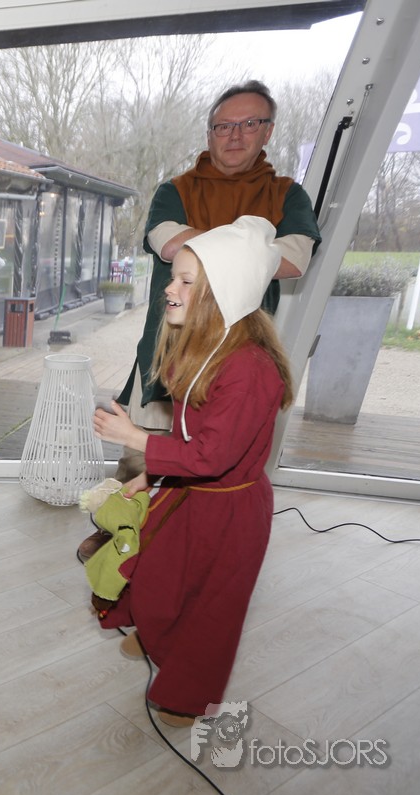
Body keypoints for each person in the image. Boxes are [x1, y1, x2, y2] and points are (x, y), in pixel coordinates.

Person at [79, 79, 319, 562]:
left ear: (268, 131)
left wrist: (204, 241)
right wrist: (251, 247)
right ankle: (119, 532)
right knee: (142, 449)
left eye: (249, 123)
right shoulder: (176, 190)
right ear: (209, 133)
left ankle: (175, 544)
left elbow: (295, 259)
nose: (235, 135)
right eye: (223, 126)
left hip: (232, 345)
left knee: (214, 445)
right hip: (169, 342)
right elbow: (169, 243)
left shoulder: (287, 194)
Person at [91, 215, 294, 727]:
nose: (170, 289)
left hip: (230, 512)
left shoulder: (250, 371)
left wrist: (136, 439)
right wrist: (153, 475)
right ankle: (156, 633)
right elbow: (191, 441)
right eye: (172, 278)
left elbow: (212, 456)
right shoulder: (207, 350)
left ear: (223, 294)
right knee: (159, 572)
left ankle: (189, 694)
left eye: (185, 281)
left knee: (211, 610)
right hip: (190, 491)